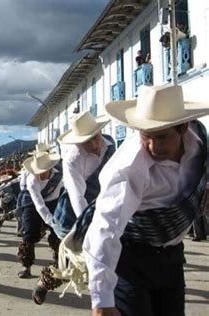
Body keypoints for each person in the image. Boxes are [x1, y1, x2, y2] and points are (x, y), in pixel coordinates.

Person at [83, 85, 209, 316]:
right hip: (131, 261)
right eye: (146, 136)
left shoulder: (200, 140)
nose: (152, 146)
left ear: (182, 127)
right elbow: (105, 227)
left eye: (161, 137)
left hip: (172, 259)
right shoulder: (129, 167)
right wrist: (101, 300)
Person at [32, 111, 116, 304]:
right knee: (75, 259)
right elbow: (77, 197)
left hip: (105, 204)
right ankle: (45, 281)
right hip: (75, 213)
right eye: (87, 141)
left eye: (95, 138)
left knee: (114, 254)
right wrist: (88, 229)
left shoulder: (111, 144)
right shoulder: (73, 158)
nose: (94, 145)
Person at [16, 151, 63, 278]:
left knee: (58, 234)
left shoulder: (60, 176)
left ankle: (58, 264)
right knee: (29, 233)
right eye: (37, 171)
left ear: (50, 169)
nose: (40, 174)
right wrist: (49, 220)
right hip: (32, 202)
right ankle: (27, 266)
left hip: (53, 201)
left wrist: (55, 224)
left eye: (43, 171)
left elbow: (61, 193)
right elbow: (39, 204)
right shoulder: (32, 180)